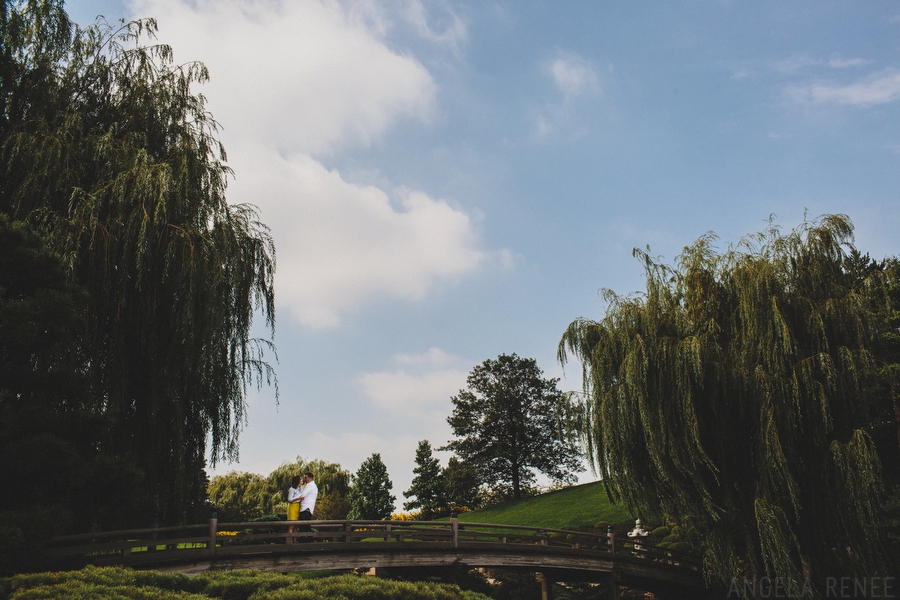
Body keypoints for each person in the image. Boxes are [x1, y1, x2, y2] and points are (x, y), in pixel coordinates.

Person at [297, 471, 318, 542]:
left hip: (306, 508)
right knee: (307, 526)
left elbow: (303, 495)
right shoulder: (313, 486)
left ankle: (303, 542)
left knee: (303, 526)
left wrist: (293, 499)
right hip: (308, 509)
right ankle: (308, 542)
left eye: (305, 478)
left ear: (309, 478)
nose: (305, 479)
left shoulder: (310, 486)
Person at [287, 475, 303, 542]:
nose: (302, 480)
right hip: (293, 506)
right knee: (291, 525)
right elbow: (289, 499)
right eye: (301, 479)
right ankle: (289, 541)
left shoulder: (300, 489)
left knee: (296, 526)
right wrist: (298, 498)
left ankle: (295, 541)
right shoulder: (292, 489)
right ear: (297, 481)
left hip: (298, 506)